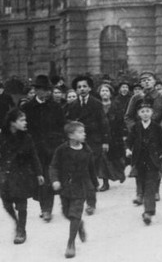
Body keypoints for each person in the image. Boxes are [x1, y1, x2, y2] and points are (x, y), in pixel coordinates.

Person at [50, 121, 99, 258]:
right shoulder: (61, 149)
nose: (84, 134)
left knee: (75, 213)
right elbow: (53, 166)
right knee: (67, 213)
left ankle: (70, 244)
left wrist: (94, 184)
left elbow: (91, 169)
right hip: (65, 187)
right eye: (80, 132)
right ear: (71, 135)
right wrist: (55, 180)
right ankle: (79, 225)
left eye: (84, 131)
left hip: (81, 186)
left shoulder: (87, 150)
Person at [125, 71, 162, 205]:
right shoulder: (136, 98)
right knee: (138, 165)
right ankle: (140, 193)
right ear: (140, 83)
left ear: (154, 81)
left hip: (157, 136)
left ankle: (155, 191)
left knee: (156, 164)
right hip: (140, 137)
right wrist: (136, 130)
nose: (146, 82)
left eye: (149, 79)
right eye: (143, 80)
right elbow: (128, 116)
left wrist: (160, 132)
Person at [22, 75, 66, 222]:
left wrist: (59, 143)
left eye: (49, 90)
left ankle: (47, 209)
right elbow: (23, 129)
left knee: (48, 178)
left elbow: (62, 126)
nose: (48, 93)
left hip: (52, 149)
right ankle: (44, 206)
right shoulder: (27, 108)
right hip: (34, 150)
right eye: (44, 90)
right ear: (36, 90)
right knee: (39, 180)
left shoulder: (55, 106)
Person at [66, 75, 110, 215]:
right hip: (77, 142)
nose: (82, 89)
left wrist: (105, 141)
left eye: (84, 86)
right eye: (79, 87)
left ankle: (91, 203)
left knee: (90, 173)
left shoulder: (96, 103)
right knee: (79, 173)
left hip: (94, 142)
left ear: (90, 88)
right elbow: (69, 124)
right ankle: (79, 201)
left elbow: (104, 123)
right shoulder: (72, 105)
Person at [0, 108, 44, 244]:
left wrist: (39, 173)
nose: (25, 123)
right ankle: (17, 222)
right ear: (12, 123)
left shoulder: (27, 137)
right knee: (7, 203)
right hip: (5, 174)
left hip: (22, 174)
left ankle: (21, 230)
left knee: (21, 203)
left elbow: (33, 156)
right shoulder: (2, 137)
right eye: (22, 120)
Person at [126, 100, 162, 225]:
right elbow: (129, 141)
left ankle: (148, 211)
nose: (145, 114)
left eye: (147, 111)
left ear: (152, 113)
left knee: (150, 185)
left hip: (153, 161)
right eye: (142, 112)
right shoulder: (136, 127)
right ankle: (143, 199)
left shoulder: (157, 127)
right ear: (138, 114)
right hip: (139, 161)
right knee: (141, 183)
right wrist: (127, 149)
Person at [98, 83, 126, 191]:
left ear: (110, 93)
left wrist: (123, 135)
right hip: (102, 136)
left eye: (106, 91)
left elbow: (121, 121)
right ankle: (105, 183)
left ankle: (120, 173)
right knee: (103, 159)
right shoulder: (97, 105)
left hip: (115, 136)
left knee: (117, 159)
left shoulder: (116, 105)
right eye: (102, 91)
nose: (104, 93)